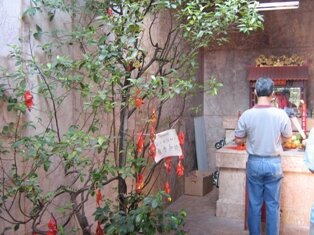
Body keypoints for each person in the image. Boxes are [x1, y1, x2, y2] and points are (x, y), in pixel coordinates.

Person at [235, 77, 292, 235]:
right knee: (273, 205)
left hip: (254, 163)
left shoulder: (246, 115)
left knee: (254, 205)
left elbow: (238, 138)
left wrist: (250, 138)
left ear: (255, 92)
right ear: (273, 94)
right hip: (274, 164)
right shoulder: (280, 115)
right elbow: (288, 138)